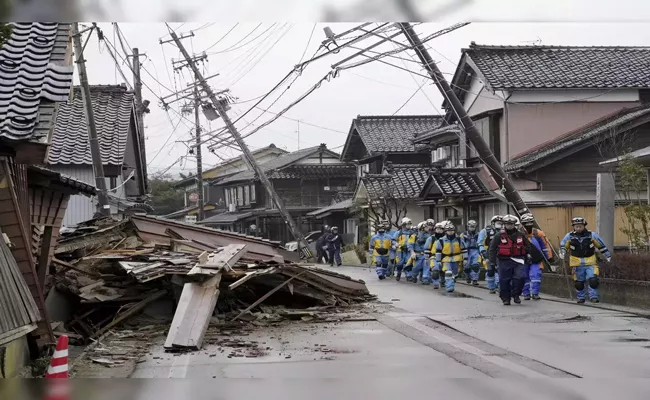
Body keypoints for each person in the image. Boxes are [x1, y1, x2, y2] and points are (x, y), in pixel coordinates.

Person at [488, 214, 538, 305]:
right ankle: (505, 298)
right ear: (504, 224)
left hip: (518, 260)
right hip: (504, 260)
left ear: (514, 224)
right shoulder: (499, 235)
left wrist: (528, 255)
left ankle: (516, 294)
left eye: (511, 224)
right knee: (504, 280)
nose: (509, 225)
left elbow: (528, 246)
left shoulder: (521, 235)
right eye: (507, 224)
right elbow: (492, 249)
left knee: (520, 277)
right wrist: (492, 262)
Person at [560, 217, 611, 304]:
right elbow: (563, 246)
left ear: (584, 226)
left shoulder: (592, 235)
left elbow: (601, 245)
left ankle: (593, 297)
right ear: (573, 227)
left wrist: (607, 255)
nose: (578, 228)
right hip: (576, 263)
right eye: (576, 227)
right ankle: (581, 297)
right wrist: (562, 253)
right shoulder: (569, 236)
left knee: (593, 280)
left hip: (590, 261)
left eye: (580, 226)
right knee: (579, 283)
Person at [520, 213, 553, 300]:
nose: (528, 225)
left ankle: (535, 293)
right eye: (526, 223)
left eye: (530, 222)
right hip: (523, 259)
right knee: (524, 276)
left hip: (537, 259)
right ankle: (526, 293)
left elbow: (545, 245)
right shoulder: (519, 234)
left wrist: (549, 257)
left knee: (536, 276)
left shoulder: (538, 233)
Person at [433, 221, 468, 292]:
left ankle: (450, 281)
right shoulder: (441, 240)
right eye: (448, 231)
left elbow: (464, 249)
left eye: (451, 231)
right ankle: (449, 287)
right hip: (446, 259)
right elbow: (438, 251)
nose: (450, 232)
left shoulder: (458, 239)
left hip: (457, 258)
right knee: (448, 272)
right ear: (445, 231)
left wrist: (465, 259)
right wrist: (438, 260)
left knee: (455, 274)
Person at [478, 215, 503, 293]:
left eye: (502, 223)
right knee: (490, 270)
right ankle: (491, 287)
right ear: (493, 223)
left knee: (501, 270)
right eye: (498, 223)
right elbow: (480, 243)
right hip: (489, 254)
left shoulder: (505, 231)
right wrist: (483, 253)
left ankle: (500, 286)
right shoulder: (485, 231)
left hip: (502, 254)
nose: (500, 225)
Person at [460, 220, 480, 286]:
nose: (472, 228)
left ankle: (475, 279)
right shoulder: (464, 235)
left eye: (473, 227)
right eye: (470, 227)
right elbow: (461, 243)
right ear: (468, 227)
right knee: (467, 266)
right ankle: (468, 276)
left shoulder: (478, 234)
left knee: (476, 265)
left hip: (475, 250)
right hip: (466, 251)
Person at [393, 217, 413, 281]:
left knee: (408, 263)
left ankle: (408, 275)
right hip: (400, 251)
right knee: (400, 263)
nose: (409, 226)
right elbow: (393, 240)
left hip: (408, 250)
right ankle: (399, 273)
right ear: (403, 225)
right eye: (408, 224)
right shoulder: (398, 233)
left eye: (410, 224)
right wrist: (396, 244)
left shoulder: (412, 233)